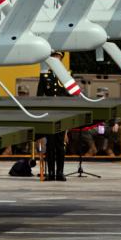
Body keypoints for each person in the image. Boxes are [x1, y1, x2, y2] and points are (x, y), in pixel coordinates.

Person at [37, 52, 69, 180]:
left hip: (61, 114)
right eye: (54, 57)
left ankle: (60, 172)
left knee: (60, 145)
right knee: (50, 145)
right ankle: (50, 173)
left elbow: (69, 97)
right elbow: (39, 98)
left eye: (58, 57)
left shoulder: (66, 75)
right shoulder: (44, 76)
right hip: (49, 115)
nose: (56, 59)